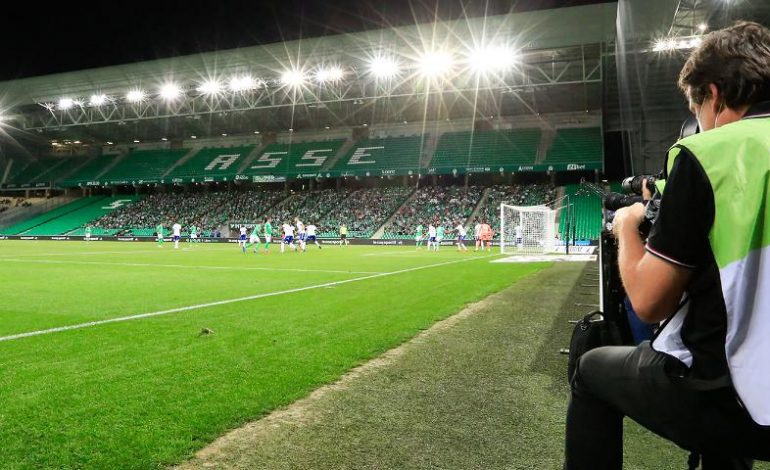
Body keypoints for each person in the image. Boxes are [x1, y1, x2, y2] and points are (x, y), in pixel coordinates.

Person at [565, 22, 770, 469]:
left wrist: (627, 228)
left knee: (591, 369)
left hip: (737, 403)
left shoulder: (708, 153)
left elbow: (650, 302)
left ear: (713, 96)